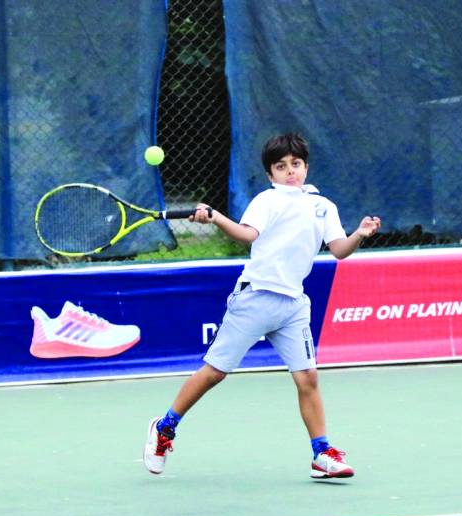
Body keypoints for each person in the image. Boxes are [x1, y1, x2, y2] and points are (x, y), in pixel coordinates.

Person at [143, 133, 381, 479]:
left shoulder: (323, 207)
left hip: (294, 305)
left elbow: (339, 250)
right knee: (214, 374)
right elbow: (247, 235)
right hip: (255, 297)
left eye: (295, 165)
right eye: (281, 167)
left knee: (308, 378)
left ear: (305, 167)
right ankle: (164, 429)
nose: (290, 172)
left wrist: (359, 233)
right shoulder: (267, 200)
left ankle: (322, 453)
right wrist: (215, 217)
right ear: (271, 174)